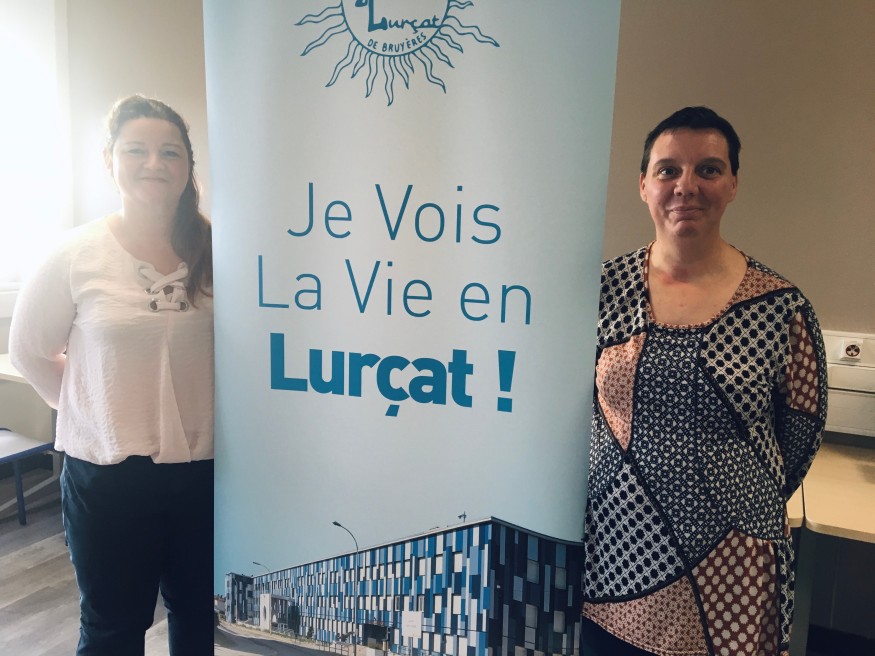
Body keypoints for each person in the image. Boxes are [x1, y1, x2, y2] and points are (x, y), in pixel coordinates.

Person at [581, 107, 826, 656]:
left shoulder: (779, 308)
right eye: (668, 170)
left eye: (708, 169)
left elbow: (801, 433)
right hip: (613, 557)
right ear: (643, 185)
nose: (685, 186)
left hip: (732, 568)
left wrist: (726, 497)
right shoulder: (600, 290)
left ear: (733, 184)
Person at [9, 95, 214, 655]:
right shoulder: (75, 254)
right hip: (108, 477)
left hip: (206, 472)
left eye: (170, 152)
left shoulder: (219, 249)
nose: (154, 163)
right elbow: (28, 350)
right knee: (112, 628)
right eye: (136, 150)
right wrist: (90, 409)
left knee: (199, 613)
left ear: (188, 166)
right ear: (109, 161)